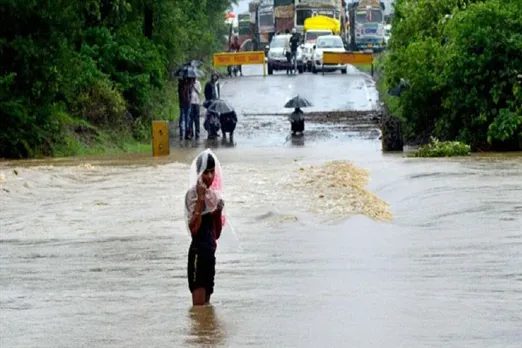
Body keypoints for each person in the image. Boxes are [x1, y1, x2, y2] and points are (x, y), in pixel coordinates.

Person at [185, 152, 224, 306]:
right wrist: (201, 199)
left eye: (212, 171)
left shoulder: (214, 197)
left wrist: (218, 212)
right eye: (205, 172)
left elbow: (217, 234)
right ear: (198, 174)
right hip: (198, 255)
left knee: (206, 309)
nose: (209, 176)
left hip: (209, 255)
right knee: (198, 309)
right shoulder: (192, 195)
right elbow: (194, 229)